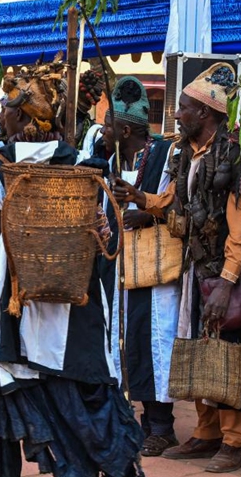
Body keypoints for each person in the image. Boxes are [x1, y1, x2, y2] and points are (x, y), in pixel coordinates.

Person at [0, 59, 143, 476]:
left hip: (6, 318)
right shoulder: (83, 168)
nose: (0, 115)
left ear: (20, 114)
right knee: (83, 418)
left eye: (6, 108)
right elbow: (106, 240)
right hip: (72, 321)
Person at [113, 63, 241, 473]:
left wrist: (228, 282)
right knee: (195, 348)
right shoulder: (186, 153)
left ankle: (233, 440)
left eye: (184, 108)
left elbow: (240, 228)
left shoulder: (233, 154)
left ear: (205, 114)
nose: (176, 115)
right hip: (195, 268)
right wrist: (139, 196)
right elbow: (171, 200)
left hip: (223, 272)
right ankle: (207, 433)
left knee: (226, 354)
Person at [101, 76, 180, 456]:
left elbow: (181, 202)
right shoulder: (112, 161)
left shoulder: (165, 155)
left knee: (156, 342)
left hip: (156, 270)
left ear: (125, 129)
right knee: (128, 342)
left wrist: (147, 215)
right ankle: (138, 421)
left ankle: (162, 426)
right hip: (123, 269)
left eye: (107, 124)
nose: (102, 130)